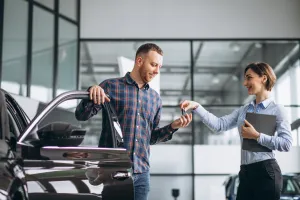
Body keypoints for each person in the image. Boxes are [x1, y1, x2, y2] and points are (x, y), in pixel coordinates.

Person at [75, 43, 192, 200]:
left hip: (141, 175)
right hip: (112, 173)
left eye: (160, 67)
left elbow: (151, 138)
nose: (157, 71)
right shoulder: (110, 86)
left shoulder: (155, 99)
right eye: (153, 64)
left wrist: (173, 127)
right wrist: (91, 90)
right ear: (139, 61)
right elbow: (81, 115)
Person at [180, 62, 292, 200]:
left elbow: (286, 143)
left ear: (263, 78)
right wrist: (196, 106)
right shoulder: (244, 110)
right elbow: (219, 125)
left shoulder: (277, 109)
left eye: (249, 77)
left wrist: (257, 136)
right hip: (245, 173)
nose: (245, 83)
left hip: (266, 172)